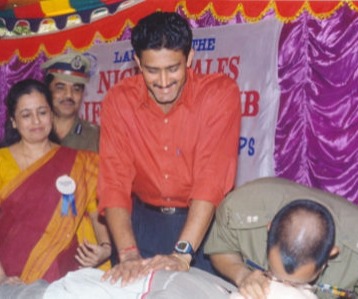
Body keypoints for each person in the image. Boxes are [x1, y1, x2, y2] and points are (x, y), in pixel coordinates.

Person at [98, 11, 241, 284]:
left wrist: (183, 253)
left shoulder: (219, 94)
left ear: (189, 58)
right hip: (141, 224)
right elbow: (114, 182)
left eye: (173, 68)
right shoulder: (118, 100)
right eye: (152, 70)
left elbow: (210, 180)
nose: (163, 82)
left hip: (203, 225)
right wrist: (128, 255)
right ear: (137, 62)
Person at [0, 79, 111, 289]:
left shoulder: (82, 162)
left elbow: (98, 213)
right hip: (13, 278)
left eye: (42, 112)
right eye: (26, 115)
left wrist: (105, 247)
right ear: (14, 121)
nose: (36, 121)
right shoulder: (2, 162)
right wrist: (2, 279)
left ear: (51, 114)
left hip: (68, 276)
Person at [205, 177, 358, 299]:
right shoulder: (240, 209)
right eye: (276, 275)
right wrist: (242, 275)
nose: (285, 286)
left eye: (295, 283)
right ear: (269, 228)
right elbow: (221, 248)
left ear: (331, 253)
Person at [41, 52, 99, 152]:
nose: (69, 95)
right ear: (47, 90)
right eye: (60, 87)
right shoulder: (34, 132)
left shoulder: (96, 137)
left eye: (76, 89)